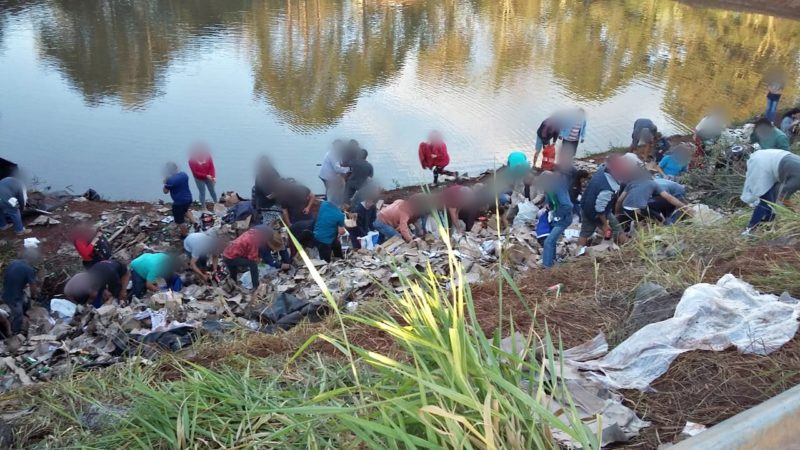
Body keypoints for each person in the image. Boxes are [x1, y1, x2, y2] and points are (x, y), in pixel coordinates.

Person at [577, 155, 632, 249]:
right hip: (596, 212)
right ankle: (628, 249)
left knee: (585, 232)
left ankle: (578, 252)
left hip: (586, 207)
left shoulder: (601, 171)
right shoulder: (607, 188)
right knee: (615, 228)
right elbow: (599, 208)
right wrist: (605, 224)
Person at [741, 149, 800, 233]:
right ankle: (750, 229)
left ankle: (767, 222)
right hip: (763, 163)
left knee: (772, 197)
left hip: (773, 157)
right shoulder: (798, 180)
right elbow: (782, 196)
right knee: (766, 199)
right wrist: (795, 211)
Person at [616, 171, 688, 224]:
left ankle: (637, 225)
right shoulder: (653, 184)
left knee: (644, 215)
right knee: (661, 220)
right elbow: (669, 198)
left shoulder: (631, 184)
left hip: (626, 209)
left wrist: (617, 213)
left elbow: (619, 200)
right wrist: (685, 207)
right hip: (640, 210)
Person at [538, 171, 573, 269]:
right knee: (551, 241)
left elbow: (568, 206)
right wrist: (548, 205)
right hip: (556, 218)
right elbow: (550, 199)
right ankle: (551, 261)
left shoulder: (559, 189)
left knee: (548, 242)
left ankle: (547, 267)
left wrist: (556, 214)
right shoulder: (550, 188)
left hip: (563, 219)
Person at [2, 249, 38, 334]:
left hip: (5, 292)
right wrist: (34, 296)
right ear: (32, 259)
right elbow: (33, 286)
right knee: (18, 316)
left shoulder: (13, 263)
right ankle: (14, 333)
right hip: (14, 297)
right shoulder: (29, 269)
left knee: (23, 302)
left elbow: (8, 276)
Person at [163, 162, 194, 238]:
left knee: (179, 221)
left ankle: (185, 235)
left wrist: (165, 183)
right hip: (188, 198)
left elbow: (165, 191)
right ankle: (195, 223)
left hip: (179, 203)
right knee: (186, 210)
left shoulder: (171, 180)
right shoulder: (184, 175)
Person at [313, 196, 347, 263]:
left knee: (337, 244)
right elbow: (341, 232)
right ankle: (328, 263)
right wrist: (344, 227)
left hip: (316, 234)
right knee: (325, 262)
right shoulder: (340, 215)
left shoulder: (324, 204)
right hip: (325, 241)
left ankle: (339, 259)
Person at [188, 144, 218, 208]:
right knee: (202, 192)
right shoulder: (191, 161)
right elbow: (195, 172)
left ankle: (217, 204)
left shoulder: (208, 157)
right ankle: (203, 207)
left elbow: (212, 167)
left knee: (212, 191)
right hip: (199, 178)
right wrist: (206, 176)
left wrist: (213, 176)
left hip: (209, 177)